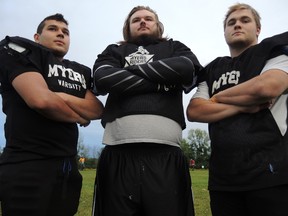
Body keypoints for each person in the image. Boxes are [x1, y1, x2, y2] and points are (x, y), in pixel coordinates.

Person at [92, 5, 202, 216]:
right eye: (136, 20)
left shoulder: (175, 47)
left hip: (166, 155)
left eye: (148, 18)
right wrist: (163, 82)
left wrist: (125, 75)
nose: (143, 21)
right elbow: (103, 78)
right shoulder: (113, 51)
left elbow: (186, 68)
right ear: (128, 28)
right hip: (117, 155)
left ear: (158, 26)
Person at [187, 3, 288, 216]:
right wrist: (244, 107)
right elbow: (195, 111)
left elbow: (266, 87)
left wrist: (217, 98)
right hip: (223, 180)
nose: (237, 25)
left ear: (258, 28)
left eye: (245, 20)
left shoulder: (274, 52)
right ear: (224, 31)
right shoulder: (212, 68)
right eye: (231, 23)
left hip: (272, 175)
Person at [0, 13, 103, 216]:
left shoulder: (79, 71)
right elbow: (40, 101)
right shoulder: (18, 49)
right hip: (27, 162)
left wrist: (59, 96)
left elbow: (97, 110)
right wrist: (79, 116)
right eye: (53, 29)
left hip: (67, 167)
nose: (60, 34)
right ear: (37, 37)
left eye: (65, 32)